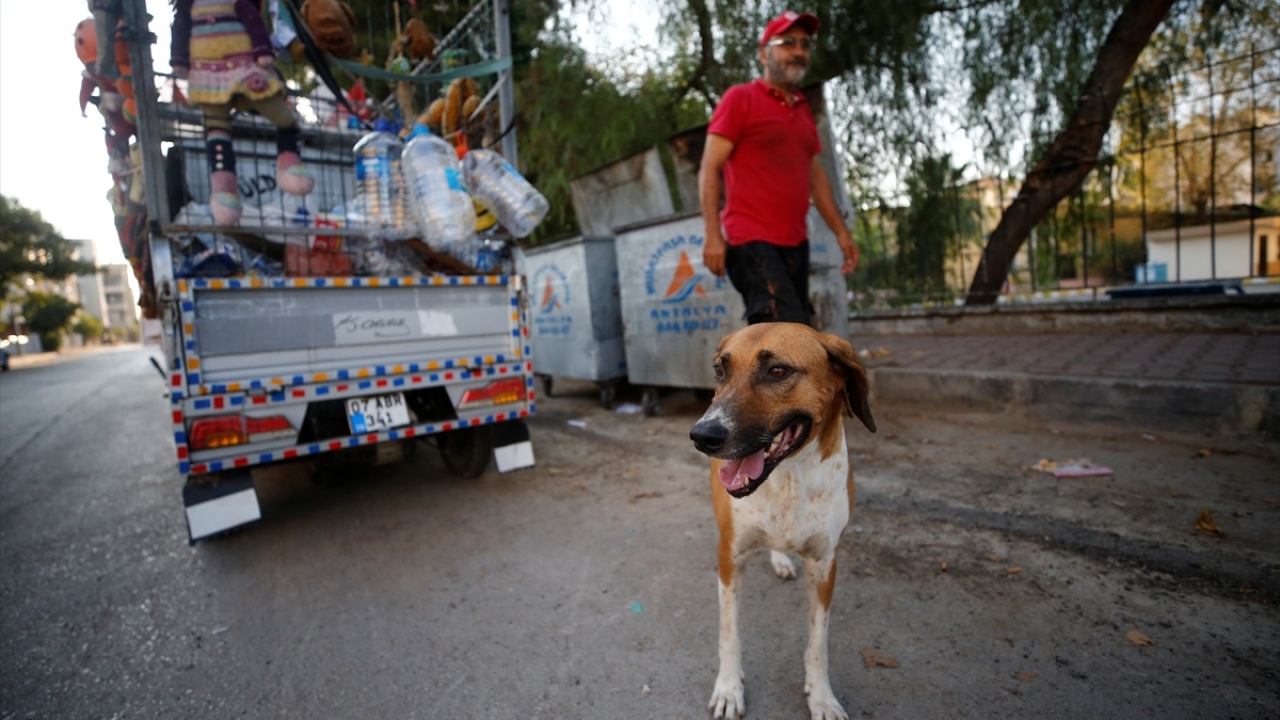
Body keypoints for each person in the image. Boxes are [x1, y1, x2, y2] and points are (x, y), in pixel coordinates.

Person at [700, 10, 858, 326]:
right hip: (751, 239)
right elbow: (708, 168)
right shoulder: (740, 98)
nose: (798, 51)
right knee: (781, 333)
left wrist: (843, 233)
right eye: (787, 42)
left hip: (796, 243)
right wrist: (712, 235)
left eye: (804, 44)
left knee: (796, 332)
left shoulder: (802, 111)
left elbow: (818, 180)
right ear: (764, 53)